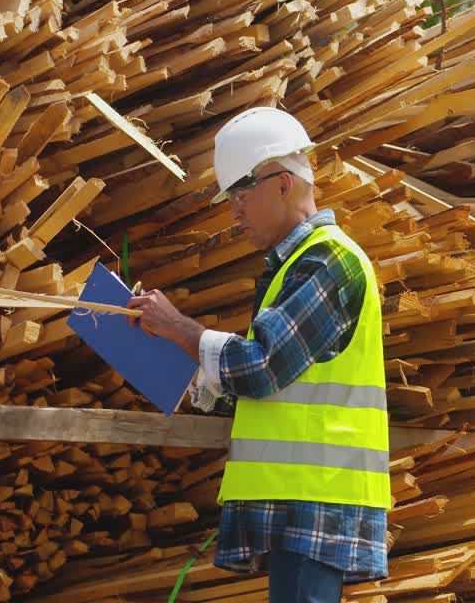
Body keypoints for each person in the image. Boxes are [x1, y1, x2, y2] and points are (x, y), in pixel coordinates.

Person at [125, 107, 390, 603]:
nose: (235, 213)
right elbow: (266, 389)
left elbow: (262, 366)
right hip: (302, 499)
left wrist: (180, 328)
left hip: (317, 497)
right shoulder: (297, 265)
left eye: (242, 197)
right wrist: (167, 352)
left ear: (283, 184)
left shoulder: (329, 261)